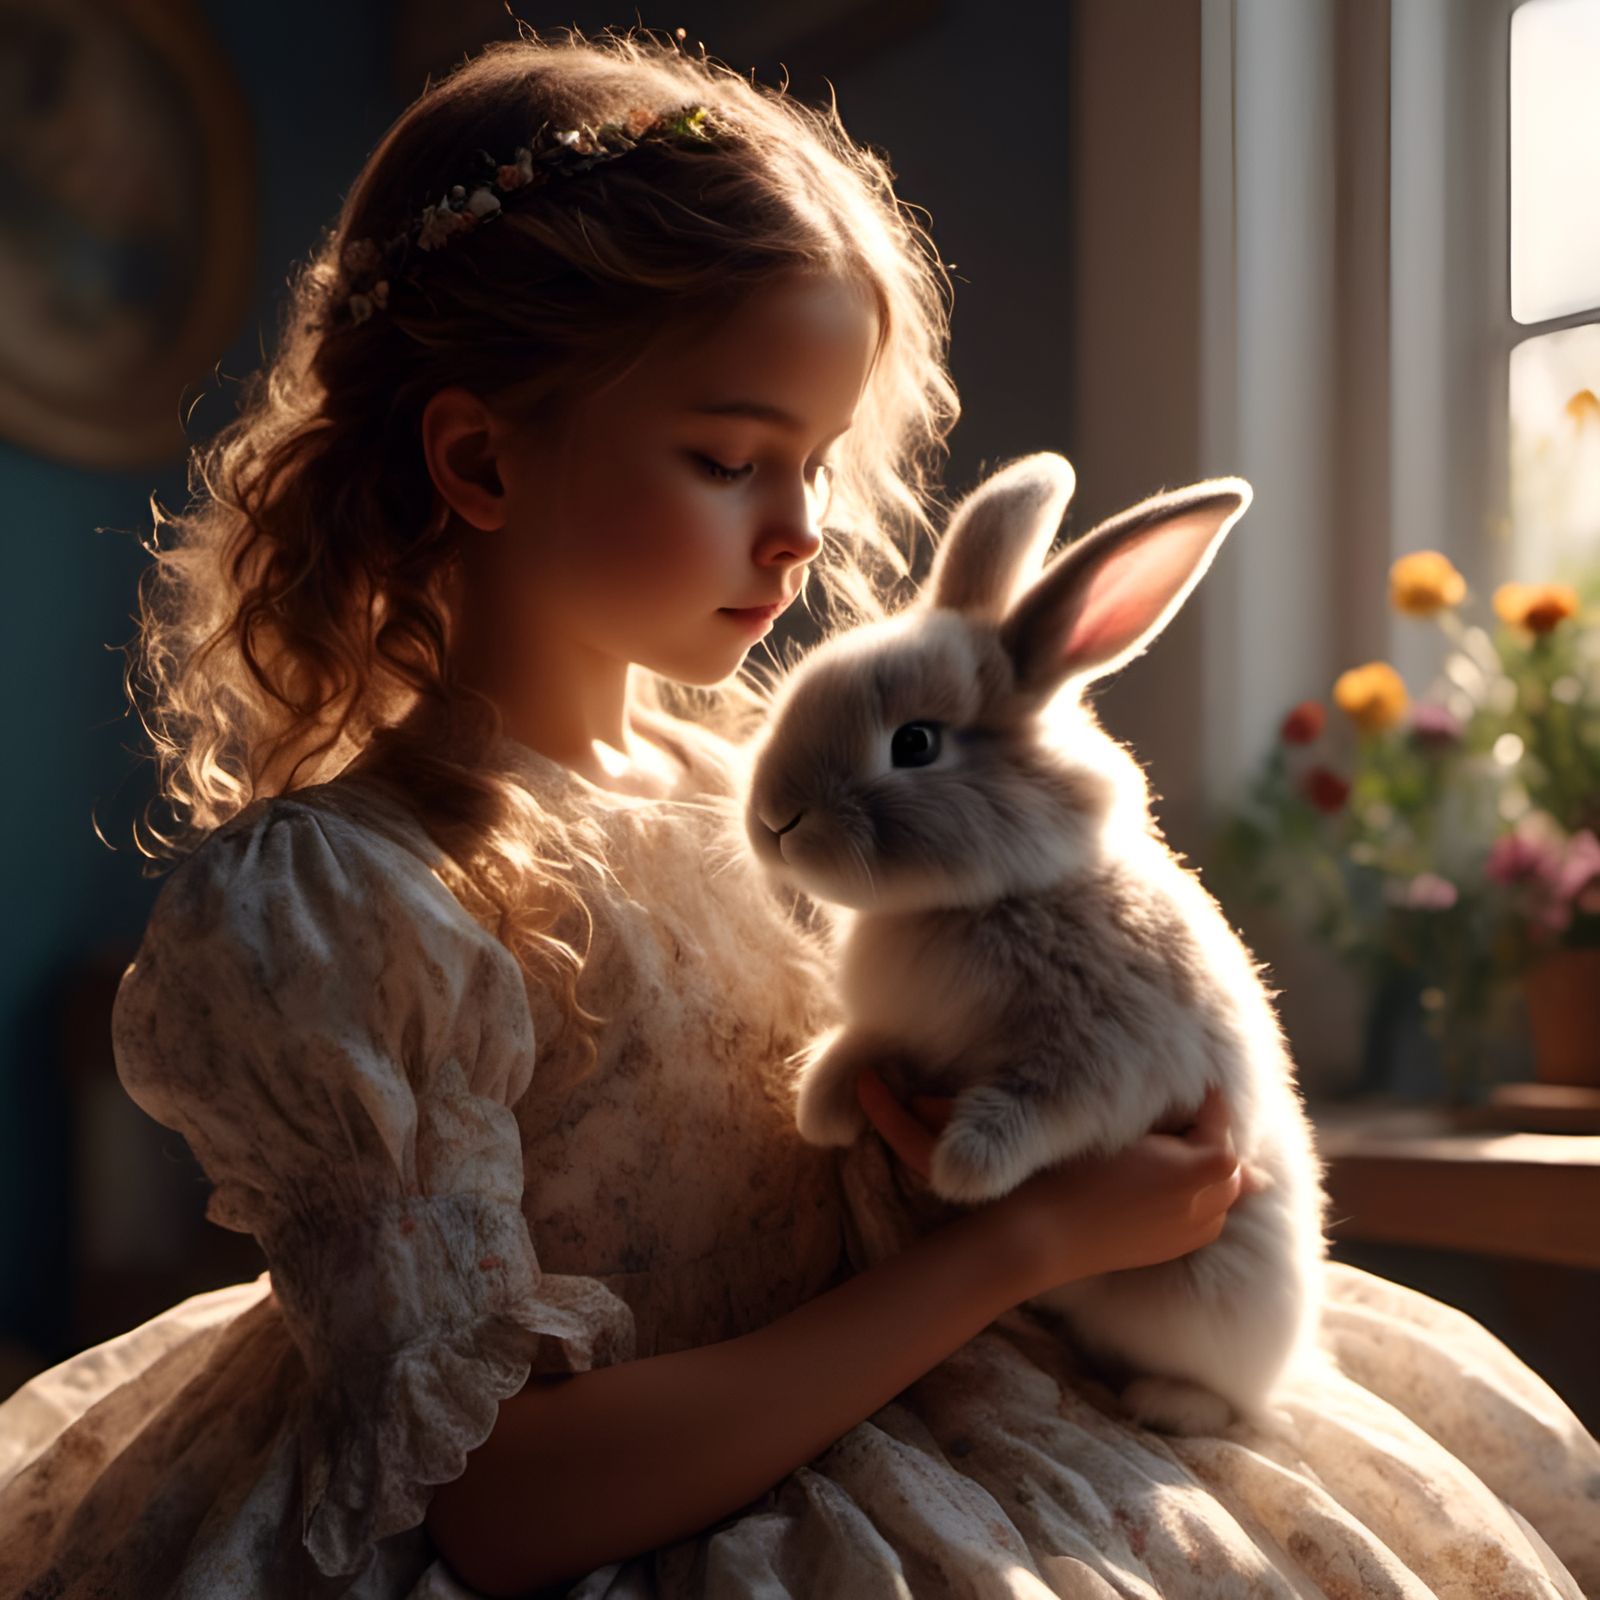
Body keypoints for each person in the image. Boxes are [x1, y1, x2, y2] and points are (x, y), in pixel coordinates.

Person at [2, 24, 1596, 1599]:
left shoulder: (783, 814)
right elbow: (496, 1510)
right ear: (479, 460)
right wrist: (1026, 1246)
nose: (800, 534)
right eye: (727, 459)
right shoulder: (357, 901)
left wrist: (1075, 1136)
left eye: (820, 464)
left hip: (937, 1408)